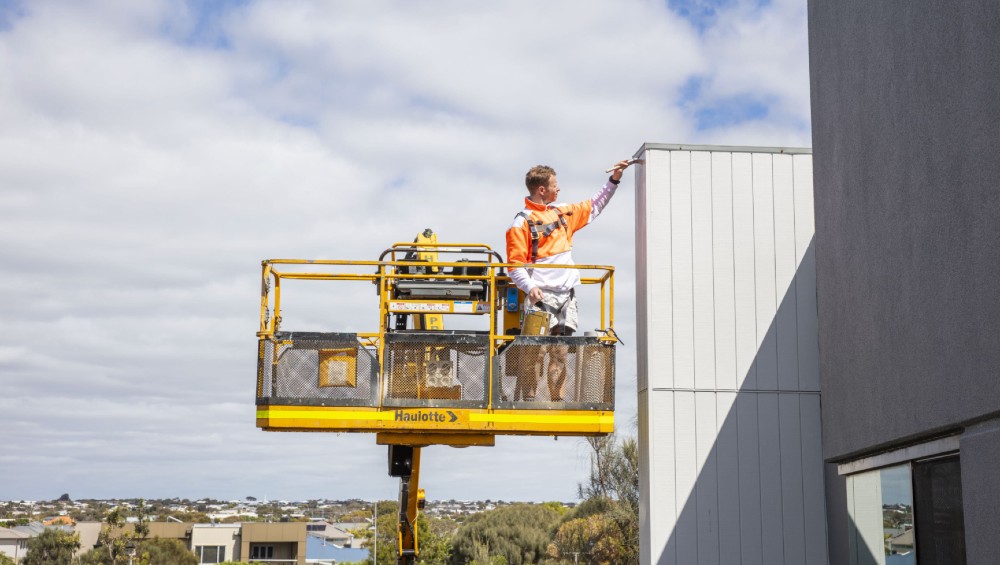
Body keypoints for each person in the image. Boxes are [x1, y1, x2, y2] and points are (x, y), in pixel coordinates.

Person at [505, 159, 632, 401]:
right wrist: (530, 287)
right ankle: (530, 399)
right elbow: (515, 265)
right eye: (555, 185)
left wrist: (615, 178)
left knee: (560, 352)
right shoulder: (521, 222)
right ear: (542, 189)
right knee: (536, 353)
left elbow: (594, 205)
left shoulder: (563, 212)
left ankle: (556, 399)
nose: (559, 189)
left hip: (566, 297)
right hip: (540, 296)